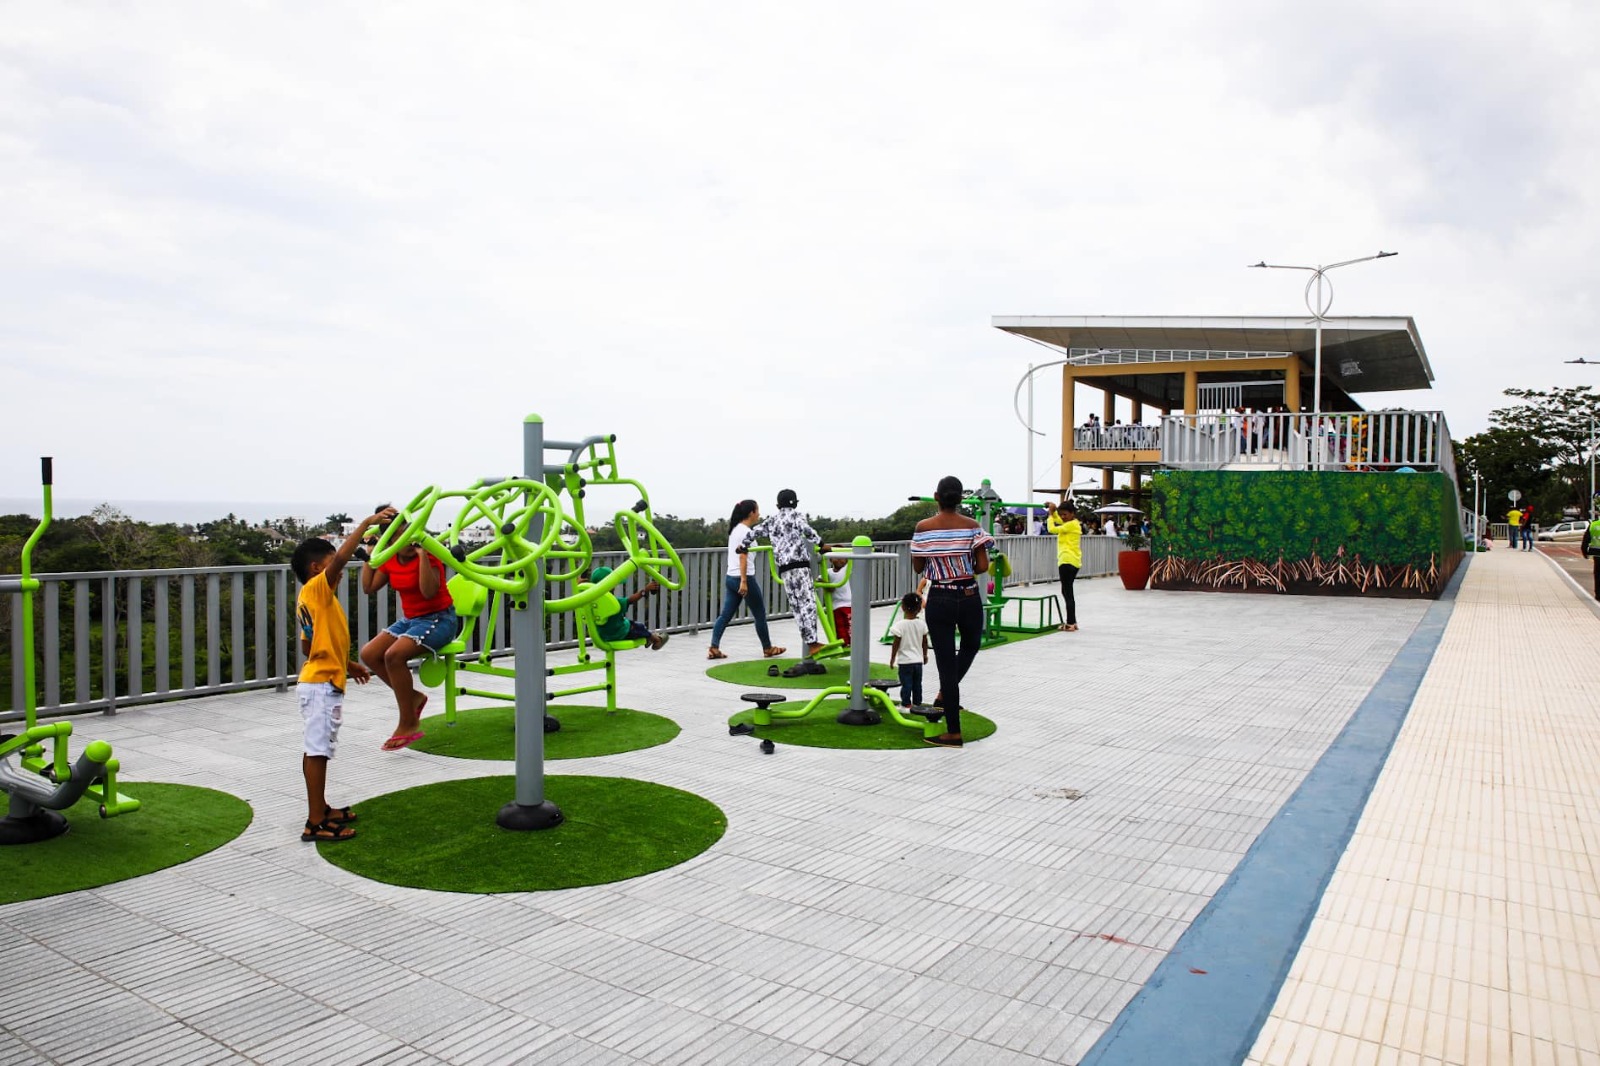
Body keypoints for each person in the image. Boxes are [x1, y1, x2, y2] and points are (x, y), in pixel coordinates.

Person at [289, 507, 391, 843]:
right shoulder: (318, 589)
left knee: (319, 748)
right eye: (332, 563)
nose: (339, 570)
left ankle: (322, 808)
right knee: (317, 750)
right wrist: (365, 525)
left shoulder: (313, 599)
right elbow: (340, 562)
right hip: (319, 685)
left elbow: (310, 647)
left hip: (320, 679)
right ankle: (315, 822)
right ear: (317, 568)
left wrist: (349, 665)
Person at [359, 507, 461, 752]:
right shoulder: (391, 559)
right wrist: (370, 558)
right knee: (369, 654)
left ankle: (407, 722)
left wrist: (423, 555)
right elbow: (368, 587)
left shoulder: (429, 555)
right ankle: (413, 699)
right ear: (391, 540)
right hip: (411, 620)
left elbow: (429, 591)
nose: (408, 540)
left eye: (410, 533)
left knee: (393, 656)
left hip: (440, 619)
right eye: (401, 536)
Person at [911, 475, 994, 748]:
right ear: (960, 499)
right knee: (971, 646)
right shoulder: (973, 526)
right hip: (969, 595)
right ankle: (945, 696)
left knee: (945, 662)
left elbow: (918, 567)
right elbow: (983, 566)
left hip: (941, 598)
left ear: (936, 496)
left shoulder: (923, 528)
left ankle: (953, 731)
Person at [750, 488, 829, 672]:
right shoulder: (796, 516)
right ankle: (813, 643)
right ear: (795, 503)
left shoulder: (772, 520)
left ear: (778, 505)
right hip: (800, 566)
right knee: (808, 604)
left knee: (796, 607)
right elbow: (807, 530)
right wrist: (821, 544)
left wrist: (742, 546)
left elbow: (755, 532)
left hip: (784, 569)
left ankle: (810, 643)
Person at [707, 499, 786, 661]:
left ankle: (714, 647)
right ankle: (768, 648)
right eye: (757, 511)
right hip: (744, 578)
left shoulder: (736, 530)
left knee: (725, 615)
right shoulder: (744, 532)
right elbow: (743, 556)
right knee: (760, 614)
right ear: (751, 513)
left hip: (731, 577)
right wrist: (744, 580)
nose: (759, 514)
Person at [586, 566, 668, 649]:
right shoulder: (614, 603)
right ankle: (656, 640)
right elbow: (630, 600)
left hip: (600, 635)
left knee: (630, 623)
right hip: (619, 634)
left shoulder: (589, 601)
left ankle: (648, 637)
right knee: (639, 627)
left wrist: (579, 582)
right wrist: (645, 590)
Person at [1045, 498, 1082, 632]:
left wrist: (1050, 515)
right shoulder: (1073, 523)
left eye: (1065, 514)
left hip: (1067, 560)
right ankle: (1073, 622)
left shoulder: (1070, 525)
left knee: (1067, 592)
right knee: (1066, 591)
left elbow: (1052, 528)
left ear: (1072, 513)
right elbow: (1059, 521)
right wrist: (1054, 511)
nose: (1063, 517)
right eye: (1062, 514)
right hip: (1073, 561)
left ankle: (1071, 623)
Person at [888, 592, 929, 710]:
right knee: (917, 684)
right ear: (919, 608)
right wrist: (925, 655)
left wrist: (892, 658)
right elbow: (924, 642)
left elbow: (896, 643)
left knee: (906, 684)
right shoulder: (922, 624)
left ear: (903, 607)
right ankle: (917, 704)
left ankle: (906, 704)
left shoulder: (900, 625)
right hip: (918, 661)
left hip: (905, 661)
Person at [822, 551, 851, 648]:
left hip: (847, 603)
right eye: (836, 557)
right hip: (835, 605)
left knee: (848, 624)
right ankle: (843, 643)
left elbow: (853, 560)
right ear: (830, 559)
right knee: (838, 625)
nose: (839, 559)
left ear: (847, 560)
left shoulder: (846, 570)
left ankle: (851, 642)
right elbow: (820, 579)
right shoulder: (828, 572)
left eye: (842, 557)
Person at [1582, 524, 1600, 600]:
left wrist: (1585, 552)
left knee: (1598, 574)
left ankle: (1598, 594)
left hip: (1597, 554)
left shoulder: (1594, 525)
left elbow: (1586, 540)